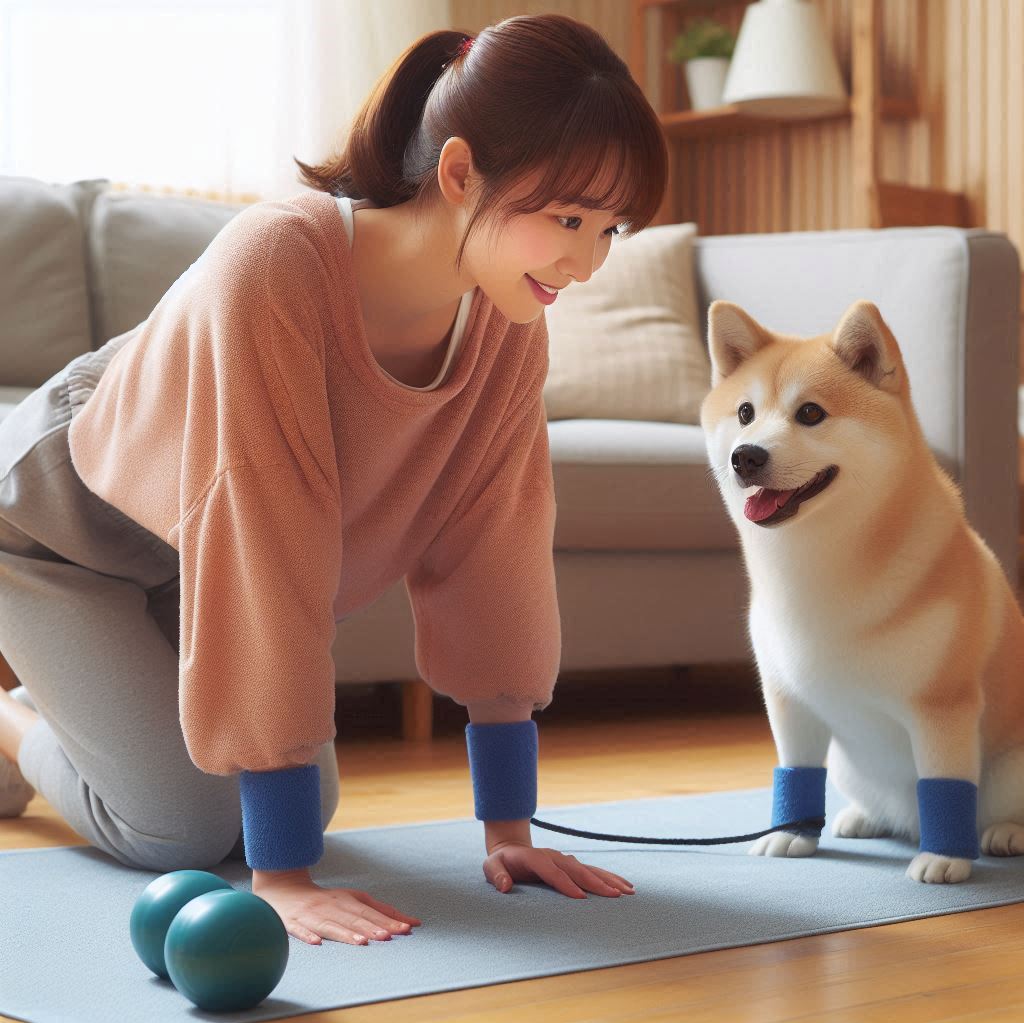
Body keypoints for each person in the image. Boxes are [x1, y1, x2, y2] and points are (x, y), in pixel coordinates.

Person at [0, 12, 667, 947]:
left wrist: (508, 832)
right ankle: (13, 718)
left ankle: (75, 701)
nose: (588, 262)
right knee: (184, 831)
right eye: (567, 220)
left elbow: (498, 551)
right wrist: (279, 879)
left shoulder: (513, 332)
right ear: (461, 172)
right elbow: (261, 534)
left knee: (299, 799)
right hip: (55, 534)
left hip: (185, 555)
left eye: (609, 229)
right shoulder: (277, 262)